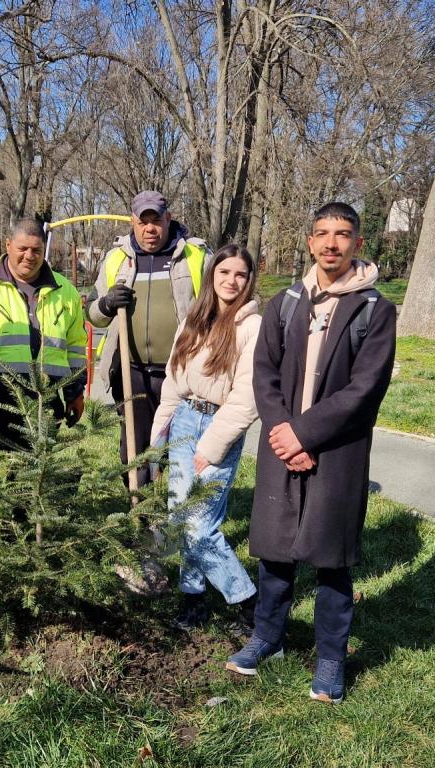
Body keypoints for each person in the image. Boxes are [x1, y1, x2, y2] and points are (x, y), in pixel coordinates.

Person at [225, 202, 396, 704]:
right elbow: (264, 374)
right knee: (275, 552)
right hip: (281, 445)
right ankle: (267, 636)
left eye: (342, 235)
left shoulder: (374, 310)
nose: (331, 244)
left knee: (331, 559)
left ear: (357, 243)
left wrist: (304, 435)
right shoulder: (286, 303)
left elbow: (365, 390)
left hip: (337, 452)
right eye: (322, 233)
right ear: (309, 241)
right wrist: (283, 433)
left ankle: (330, 659)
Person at [149, 244, 261, 635]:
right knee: (181, 519)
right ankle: (193, 600)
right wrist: (159, 437)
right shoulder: (193, 320)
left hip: (217, 428)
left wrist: (211, 448)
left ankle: (249, 603)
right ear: (212, 275)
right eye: (224, 272)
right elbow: (173, 382)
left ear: (249, 280)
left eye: (240, 274)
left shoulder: (252, 327)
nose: (231, 281)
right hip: (184, 420)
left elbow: (247, 397)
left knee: (200, 527)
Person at [86, 191, 211, 488]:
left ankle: (176, 507)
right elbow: (93, 314)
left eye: (156, 221)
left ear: (168, 219)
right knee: (134, 449)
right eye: (143, 222)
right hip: (132, 373)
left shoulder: (195, 256)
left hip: (181, 373)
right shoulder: (117, 259)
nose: (150, 229)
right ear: (133, 222)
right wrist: (107, 304)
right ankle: (139, 507)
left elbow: (218, 308)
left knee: (179, 446)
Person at [0, 218, 87, 479]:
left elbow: (75, 347)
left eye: (36, 250)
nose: (29, 256)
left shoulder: (66, 292)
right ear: (8, 245)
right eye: (22, 249)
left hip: (43, 403)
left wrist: (74, 392)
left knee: (31, 483)